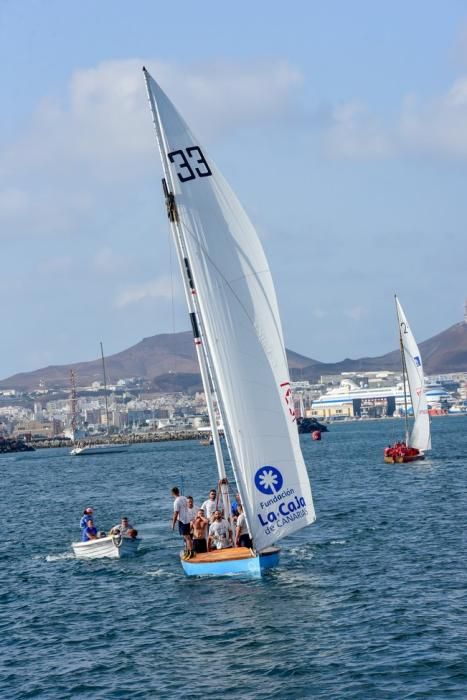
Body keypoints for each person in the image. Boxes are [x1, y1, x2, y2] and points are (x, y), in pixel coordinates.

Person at [171, 486, 193, 559]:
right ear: (178, 491)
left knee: (187, 537)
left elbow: (176, 513)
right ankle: (188, 551)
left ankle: (191, 552)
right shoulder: (184, 498)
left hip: (182, 520)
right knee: (186, 537)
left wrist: (173, 524)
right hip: (187, 519)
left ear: (172, 493)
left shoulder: (176, 502)